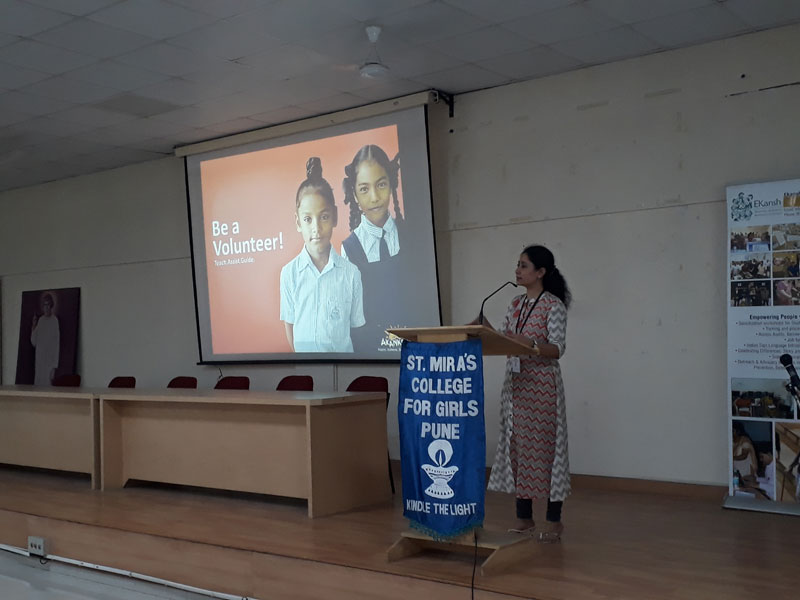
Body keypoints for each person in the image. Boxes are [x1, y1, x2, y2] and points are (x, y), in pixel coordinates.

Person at [480, 245, 571, 543]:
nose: (517, 270)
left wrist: (530, 344)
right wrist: (485, 331)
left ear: (541, 272)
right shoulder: (515, 304)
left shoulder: (553, 306)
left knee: (546, 454)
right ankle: (524, 519)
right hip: (516, 388)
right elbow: (507, 340)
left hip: (542, 390)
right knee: (518, 452)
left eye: (524, 265)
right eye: (517, 264)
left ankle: (554, 521)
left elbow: (557, 349)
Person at [280, 157, 365, 352]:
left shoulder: (351, 273)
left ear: (335, 216)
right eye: (308, 219)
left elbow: (356, 327)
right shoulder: (289, 273)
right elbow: (290, 324)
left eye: (324, 217)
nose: (316, 228)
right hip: (306, 368)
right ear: (298, 222)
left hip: (344, 368)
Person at [340, 144, 407, 351]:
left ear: (392, 184)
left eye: (381, 184)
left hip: (413, 347)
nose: (374, 197)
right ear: (355, 195)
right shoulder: (349, 249)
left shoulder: (411, 235)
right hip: (370, 351)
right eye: (364, 189)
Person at [30, 292, 60, 385]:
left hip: (49, 364)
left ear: (51, 305)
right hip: (39, 362)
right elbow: (34, 342)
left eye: (48, 305)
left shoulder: (54, 321)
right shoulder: (41, 320)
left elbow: (56, 345)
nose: (46, 307)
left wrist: (54, 367)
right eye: (44, 305)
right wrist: (34, 326)